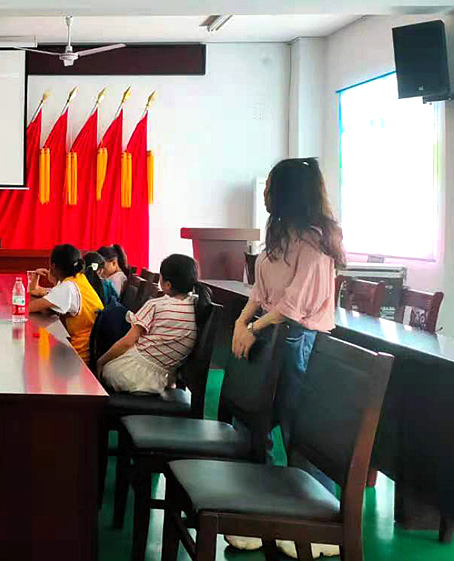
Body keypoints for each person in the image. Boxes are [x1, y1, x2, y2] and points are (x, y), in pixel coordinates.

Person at [225, 158, 345, 559]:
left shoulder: (314, 243)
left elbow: (294, 305)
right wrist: (241, 323)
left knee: (300, 430)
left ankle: (319, 525)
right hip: (271, 335)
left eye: (270, 187)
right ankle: (259, 513)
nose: (264, 193)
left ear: (288, 193)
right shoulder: (279, 236)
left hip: (299, 341)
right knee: (251, 422)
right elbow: (259, 292)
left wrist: (253, 328)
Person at [94, 254, 212, 394]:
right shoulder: (198, 306)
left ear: (167, 285)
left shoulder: (156, 305)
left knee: (106, 367)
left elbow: (127, 342)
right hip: (160, 380)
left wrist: (101, 361)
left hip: (132, 374)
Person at [26, 244, 105, 363]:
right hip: (89, 346)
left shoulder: (67, 287)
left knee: (38, 357)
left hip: (81, 354)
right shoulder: (77, 278)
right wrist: (37, 275)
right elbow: (36, 292)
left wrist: (53, 283)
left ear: (53, 266)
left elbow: (31, 307)